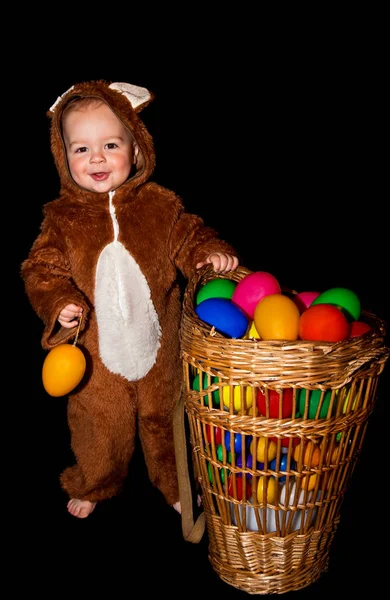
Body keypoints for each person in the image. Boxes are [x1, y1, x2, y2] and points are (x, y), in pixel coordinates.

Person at [21, 80, 239, 519]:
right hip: (97, 356)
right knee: (99, 427)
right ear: (63, 158)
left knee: (167, 422)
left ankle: (177, 486)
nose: (96, 158)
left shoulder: (159, 206)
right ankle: (96, 483)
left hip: (160, 350)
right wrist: (59, 301)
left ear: (136, 150)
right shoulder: (61, 219)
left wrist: (205, 253)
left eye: (110, 144)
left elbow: (188, 236)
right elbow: (41, 270)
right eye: (80, 149)